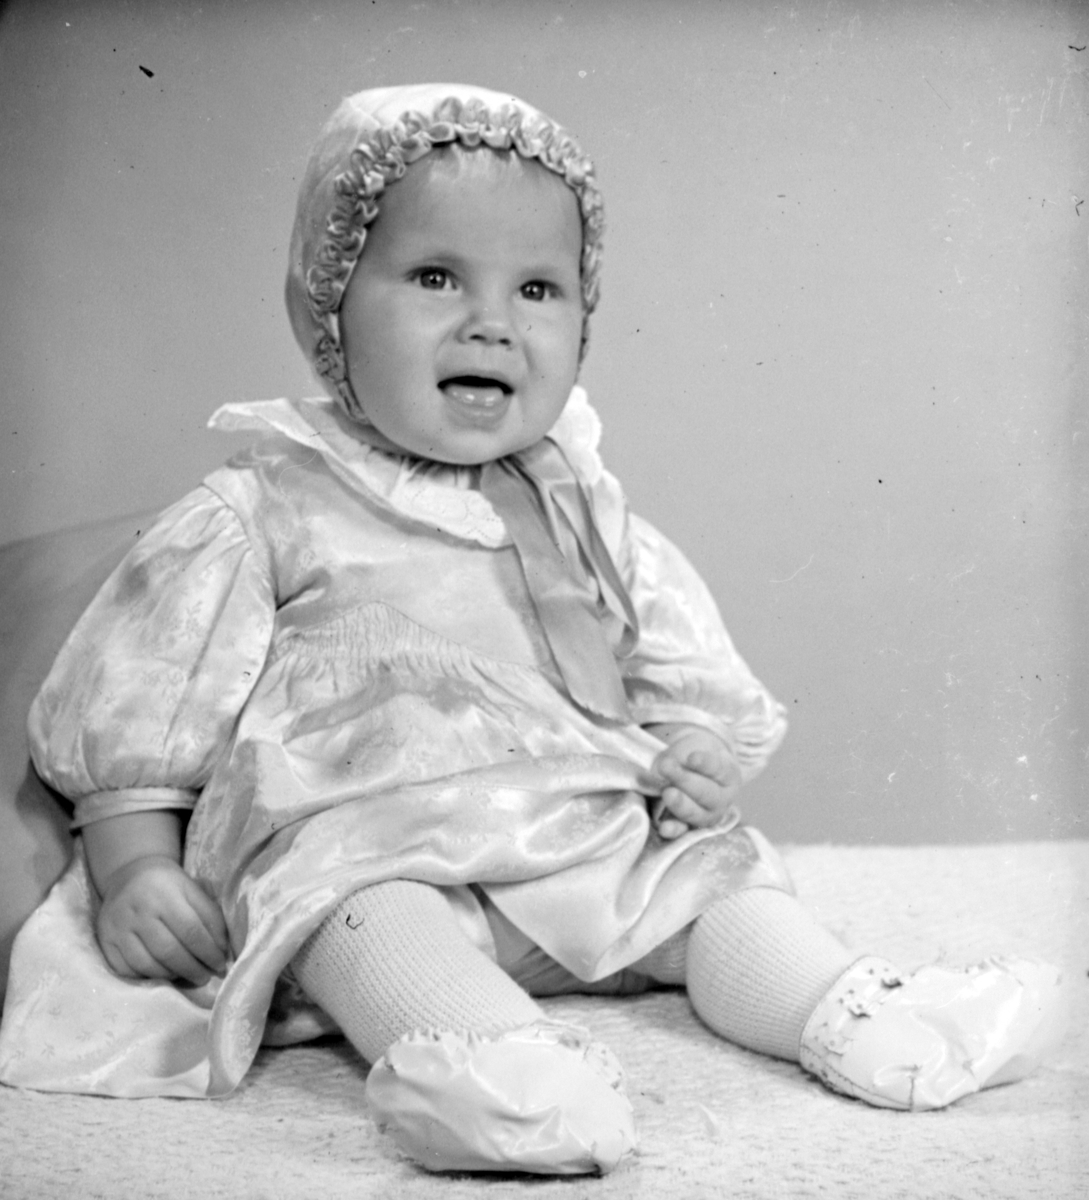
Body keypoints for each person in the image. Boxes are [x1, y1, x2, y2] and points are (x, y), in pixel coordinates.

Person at [0, 83, 1063, 1175]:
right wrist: (134, 862)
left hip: (575, 837)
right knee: (355, 908)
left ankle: (855, 1015)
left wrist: (692, 749)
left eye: (538, 289)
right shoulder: (269, 503)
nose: (492, 322)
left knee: (713, 878)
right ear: (329, 303)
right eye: (435, 277)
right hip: (374, 840)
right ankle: (493, 1066)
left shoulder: (577, 504)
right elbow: (148, 689)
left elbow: (660, 657)